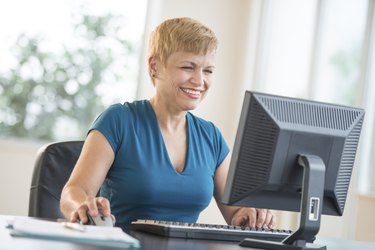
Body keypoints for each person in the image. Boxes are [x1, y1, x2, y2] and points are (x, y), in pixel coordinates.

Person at [60, 17, 275, 228]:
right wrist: (82, 206)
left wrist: (247, 215)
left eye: (208, 70)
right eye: (188, 67)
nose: (200, 81)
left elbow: (236, 212)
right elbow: (74, 191)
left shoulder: (211, 137)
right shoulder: (118, 121)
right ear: (155, 66)